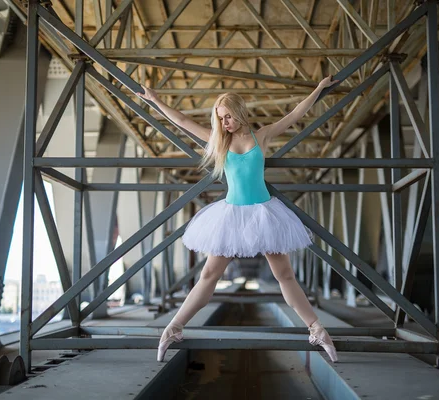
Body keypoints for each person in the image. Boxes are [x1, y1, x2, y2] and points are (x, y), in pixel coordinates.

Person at [136, 75, 340, 363]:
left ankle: (317, 330)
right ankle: (173, 329)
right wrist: (155, 100)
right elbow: (182, 121)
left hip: (264, 214)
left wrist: (318, 89)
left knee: (285, 275)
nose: (225, 123)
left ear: (240, 111)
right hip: (231, 216)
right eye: (220, 119)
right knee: (209, 275)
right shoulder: (220, 140)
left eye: (228, 116)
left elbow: (295, 114)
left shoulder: (263, 135)